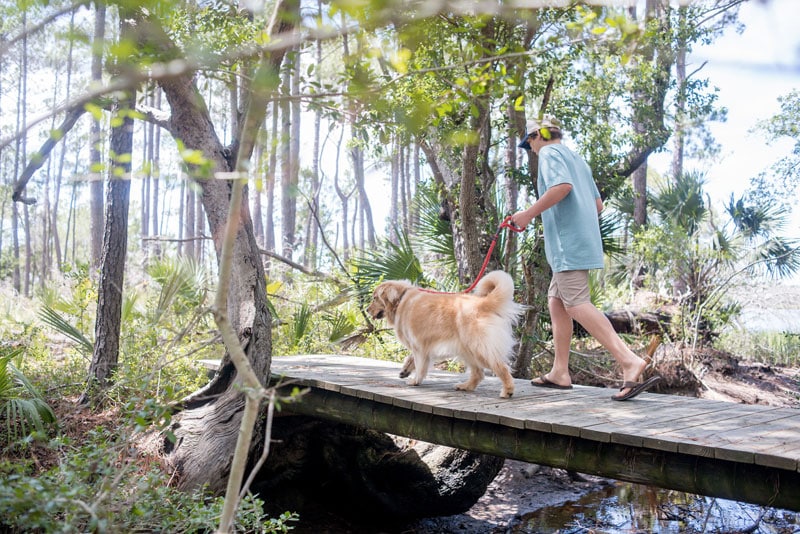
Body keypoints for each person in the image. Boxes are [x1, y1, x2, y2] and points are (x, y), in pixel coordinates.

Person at [510, 115, 660, 401]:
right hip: (580, 241)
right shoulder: (577, 159)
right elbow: (597, 205)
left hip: (568, 243)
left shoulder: (550, 153)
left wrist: (528, 214)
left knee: (577, 304)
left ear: (536, 137)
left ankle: (628, 360)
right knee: (557, 304)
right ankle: (560, 371)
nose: (531, 150)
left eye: (529, 144)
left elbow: (562, 187)